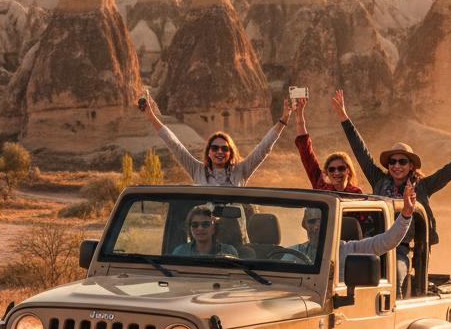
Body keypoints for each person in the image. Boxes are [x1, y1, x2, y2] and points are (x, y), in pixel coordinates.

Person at [332, 90, 451, 288]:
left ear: (411, 165)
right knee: (342, 274)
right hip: (372, 246)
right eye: (393, 161)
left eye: (402, 161)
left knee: (395, 276)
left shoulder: (422, 187)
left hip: (399, 250)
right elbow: (360, 151)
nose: (397, 166)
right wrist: (344, 117)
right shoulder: (378, 180)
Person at [142, 95, 293, 186]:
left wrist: (284, 119)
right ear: (208, 152)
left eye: (225, 149)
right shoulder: (197, 169)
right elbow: (174, 144)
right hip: (203, 226)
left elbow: (263, 148)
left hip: (233, 229)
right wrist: (151, 117)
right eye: (215, 148)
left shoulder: (241, 170)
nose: (219, 151)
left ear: (230, 152)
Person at [285, 182, 418, 278]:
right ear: (305, 225)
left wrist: (405, 215)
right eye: (311, 221)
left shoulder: (348, 250)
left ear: (332, 223)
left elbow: (386, 241)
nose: (316, 227)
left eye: (321, 221)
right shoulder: (294, 253)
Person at [292, 97, 363, 193]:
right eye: (332, 169)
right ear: (327, 173)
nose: (336, 173)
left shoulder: (356, 193)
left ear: (348, 171)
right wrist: (299, 115)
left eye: (341, 168)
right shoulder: (320, 184)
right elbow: (306, 152)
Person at [171, 205, 240, 257]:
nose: (200, 228)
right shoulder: (180, 252)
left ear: (214, 228)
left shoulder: (229, 251)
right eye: (195, 225)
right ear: (190, 229)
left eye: (205, 224)